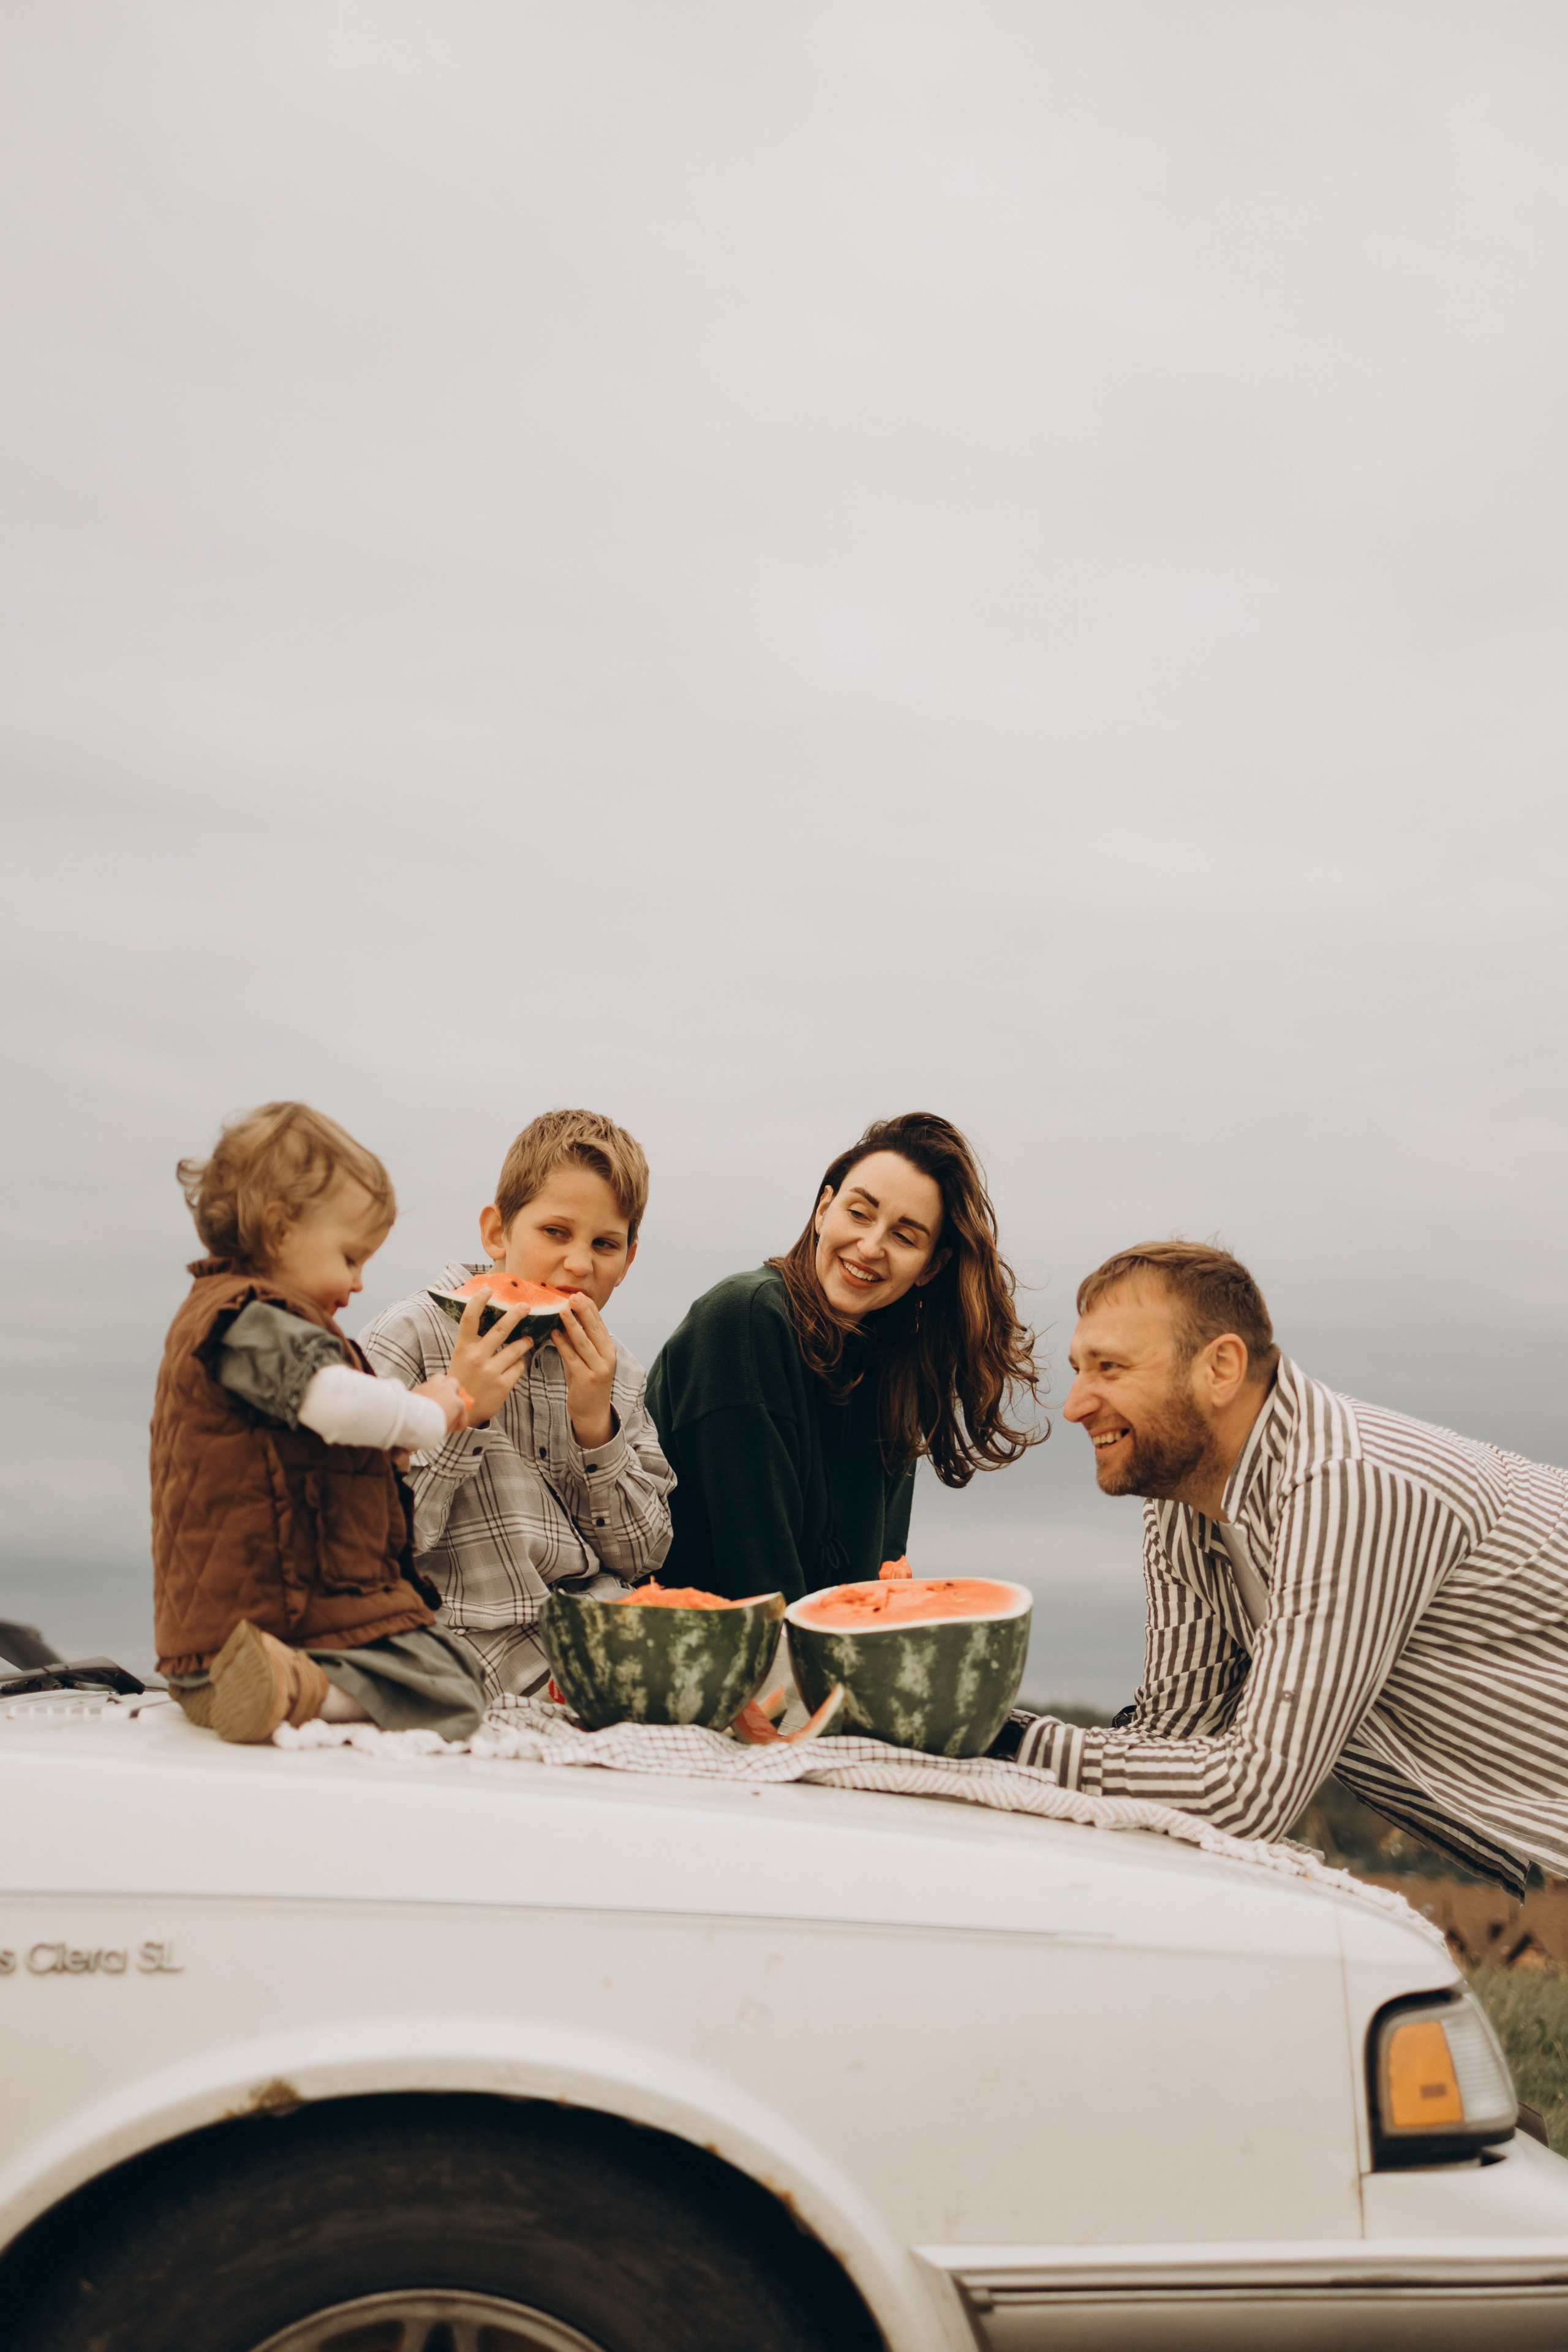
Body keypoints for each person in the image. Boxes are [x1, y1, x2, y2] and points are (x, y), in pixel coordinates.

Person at [1004, 1240, 1568, 1894]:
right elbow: (1173, 1740)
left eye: (1109, 1368)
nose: (1074, 1405)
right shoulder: (1183, 1512)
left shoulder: (1349, 1485)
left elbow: (1249, 1793)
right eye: (1078, 1370)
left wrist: (998, 1741)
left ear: (1220, 1368)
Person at [153, 1102, 486, 1745]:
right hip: (273, 1618)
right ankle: (290, 1689)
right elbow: (333, 1404)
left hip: (233, 1631)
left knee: (450, 1671)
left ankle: (263, 1686)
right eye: (350, 1257)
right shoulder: (250, 1320)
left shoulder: (244, 1321)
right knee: (451, 1689)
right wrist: (430, 1413)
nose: (359, 1283)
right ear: (279, 1232)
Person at [646, 1112, 1043, 1603]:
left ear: (930, 1267)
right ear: (823, 1210)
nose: (871, 1246)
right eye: (859, 1213)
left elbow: (867, 1587)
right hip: (702, 1658)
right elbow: (759, 1579)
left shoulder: (894, 1375)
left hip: (809, 1664)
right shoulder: (745, 1319)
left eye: (905, 1236)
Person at [361, 1109, 673, 1701]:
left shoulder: (617, 1371)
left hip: (596, 1637)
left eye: (604, 1244)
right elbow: (362, 1543)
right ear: (497, 1231)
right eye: (556, 1232)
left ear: (628, 1260)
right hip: (459, 1650)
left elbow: (641, 1554)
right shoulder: (410, 1338)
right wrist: (462, 1411)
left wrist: (595, 1427)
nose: (579, 1264)